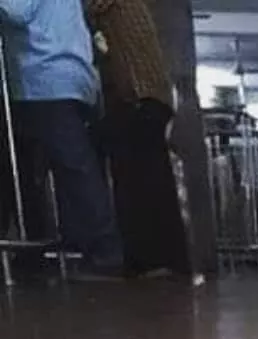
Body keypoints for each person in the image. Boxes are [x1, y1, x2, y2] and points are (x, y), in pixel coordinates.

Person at [0, 0, 123, 277]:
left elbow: (16, 11)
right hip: (69, 74)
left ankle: (105, 251)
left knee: (69, 167)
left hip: (43, 76)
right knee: (55, 167)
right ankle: (42, 253)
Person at [84, 0, 190, 277]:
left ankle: (147, 259)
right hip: (152, 98)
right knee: (154, 179)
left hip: (138, 98)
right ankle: (167, 258)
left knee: (137, 181)